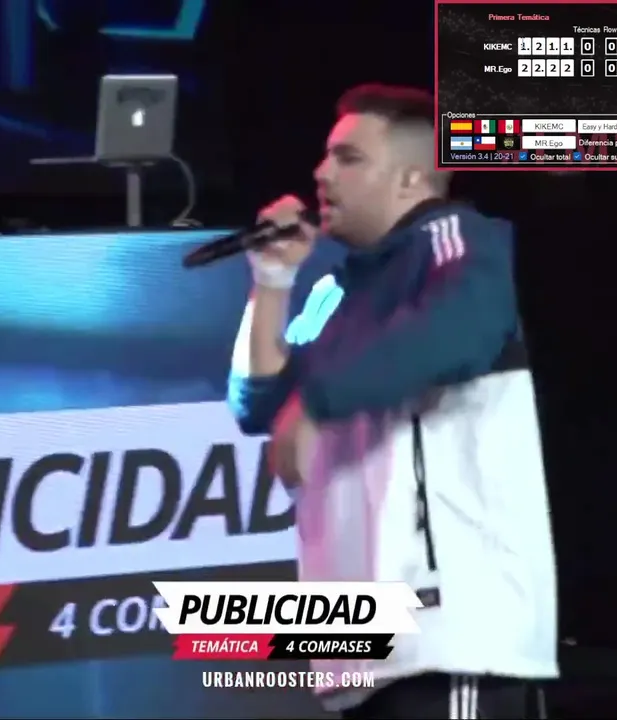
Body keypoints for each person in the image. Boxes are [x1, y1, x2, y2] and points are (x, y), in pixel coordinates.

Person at [227, 84, 559, 719]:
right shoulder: (334, 290)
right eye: (326, 156)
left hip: (453, 635)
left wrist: (317, 403)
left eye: (349, 158)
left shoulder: (453, 238)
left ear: (411, 178)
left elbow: (461, 330)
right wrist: (271, 278)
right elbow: (256, 403)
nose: (322, 173)